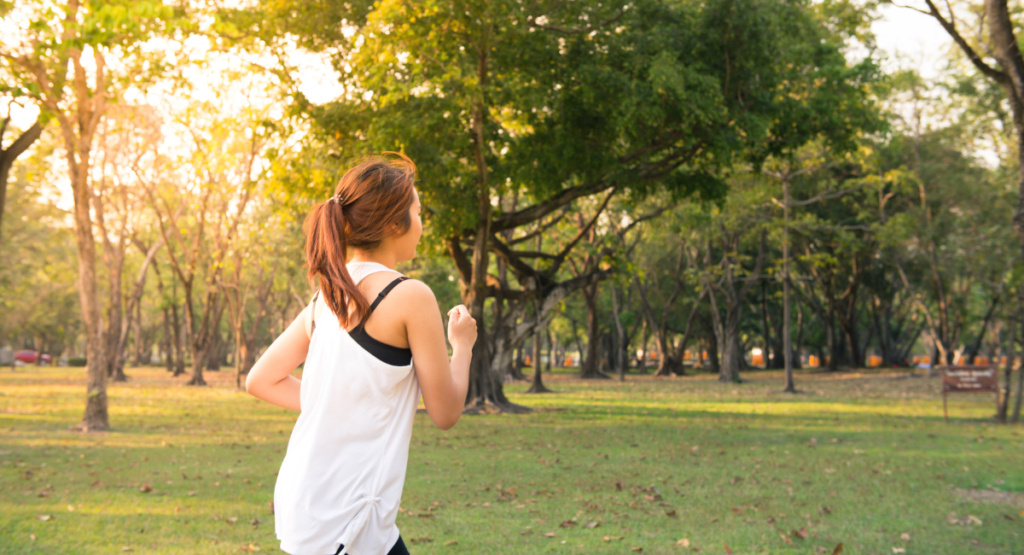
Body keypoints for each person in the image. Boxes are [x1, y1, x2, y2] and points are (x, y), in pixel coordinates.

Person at [245, 153, 477, 555]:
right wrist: (463, 346)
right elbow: (446, 412)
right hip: (348, 516)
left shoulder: (326, 297)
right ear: (392, 223)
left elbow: (261, 380)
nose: (422, 224)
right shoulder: (410, 296)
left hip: (311, 500)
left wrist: (336, 402)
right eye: (418, 212)